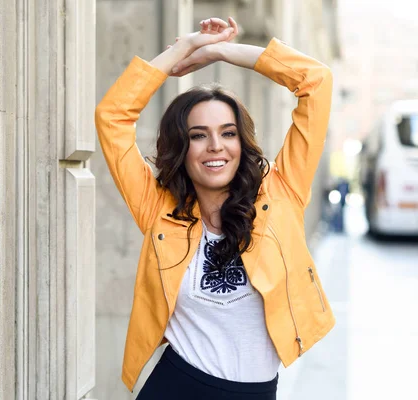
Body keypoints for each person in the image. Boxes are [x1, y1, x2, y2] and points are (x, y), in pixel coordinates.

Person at [95, 17, 335, 400]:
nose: (215, 146)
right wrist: (184, 47)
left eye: (227, 132)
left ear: (242, 142)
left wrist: (222, 52)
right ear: (182, 147)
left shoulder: (282, 193)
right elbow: (112, 118)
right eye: (198, 135)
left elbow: (316, 82)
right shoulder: (158, 209)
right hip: (175, 385)